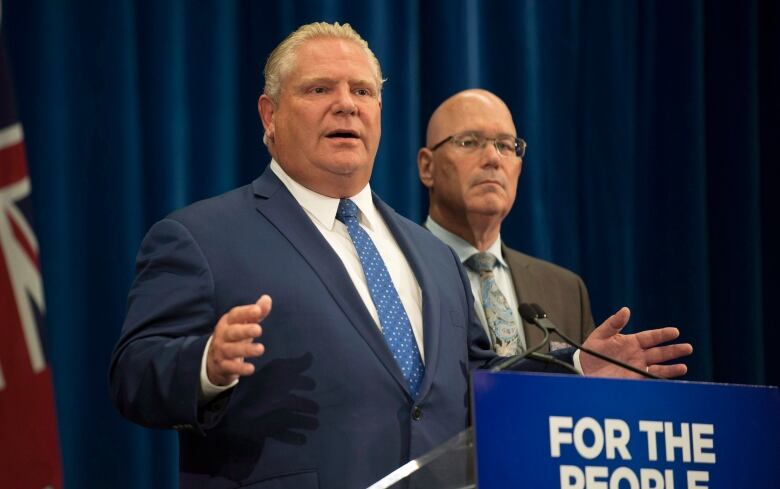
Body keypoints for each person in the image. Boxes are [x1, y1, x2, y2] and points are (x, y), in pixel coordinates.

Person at [109, 22, 692, 489]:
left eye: (363, 91)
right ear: (269, 116)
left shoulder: (429, 253)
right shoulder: (201, 236)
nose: (346, 106)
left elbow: (475, 377)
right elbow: (135, 374)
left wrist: (575, 369)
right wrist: (208, 364)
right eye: (320, 90)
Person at [418, 89, 593, 359]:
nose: (493, 158)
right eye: (469, 142)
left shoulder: (566, 292)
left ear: (519, 169)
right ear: (427, 167)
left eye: (506, 145)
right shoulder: (397, 270)